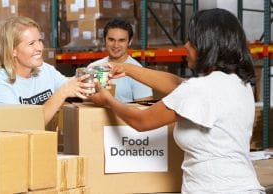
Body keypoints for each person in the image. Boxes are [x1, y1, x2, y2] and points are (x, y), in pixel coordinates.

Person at [89, 8, 265, 194]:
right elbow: (178, 84)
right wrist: (126, 68)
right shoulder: (237, 83)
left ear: (208, 45)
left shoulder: (201, 89)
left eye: (192, 41)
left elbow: (141, 121)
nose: (186, 46)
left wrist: (108, 99)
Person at [0, 16, 93, 124]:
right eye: (31, 43)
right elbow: (24, 126)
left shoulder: (45, 70)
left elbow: (77, 91)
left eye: (39, 41)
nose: (40, 48)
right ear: (13, 51)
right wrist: (62, 93)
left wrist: (94, 80)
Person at [89, 18, 152, 103]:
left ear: (129, 42)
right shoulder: (93, 67)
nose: (116, 45)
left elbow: (144, 110)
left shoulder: (139, 72)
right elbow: (84, 102)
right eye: (111, 40)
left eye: (121, 40)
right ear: (105, 40)